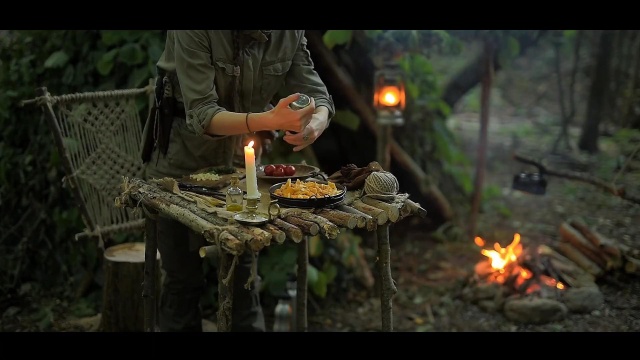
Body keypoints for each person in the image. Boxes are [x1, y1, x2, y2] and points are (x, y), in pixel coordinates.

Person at [140, 30, 335, 332]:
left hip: (242, 170)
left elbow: (316, 94)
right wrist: (270, 120)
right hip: (178, 168)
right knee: (182, 280)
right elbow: (202, 114)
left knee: (243, 277)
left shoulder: (289, 33)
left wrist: (314, 124)